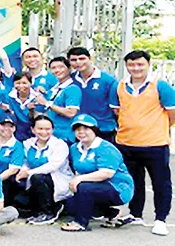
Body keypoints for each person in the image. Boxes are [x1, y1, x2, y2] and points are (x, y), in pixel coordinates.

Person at [110, 50, 175, 236]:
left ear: (148, 64)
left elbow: (172, 112)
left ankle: (160, 219)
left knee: (160, 183)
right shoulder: (119, 86)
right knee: (134, 181)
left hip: (155, 143)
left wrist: (158, 127)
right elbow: (117, 111)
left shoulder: (160, 86)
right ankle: (135, 214)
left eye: (140, 64)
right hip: (126, 143)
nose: (136, 68)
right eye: (131, 65)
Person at [61, 115, 135, 232]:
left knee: (83, 187)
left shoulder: (105, 148)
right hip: (95, 185)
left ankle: (80, 223)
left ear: (94, 130)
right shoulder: (75, 148)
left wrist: (79, 179)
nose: (81, 132)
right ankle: (113, 214)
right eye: (78, 129)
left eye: (86, 128)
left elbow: (106, 173)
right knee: (70, 206)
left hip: (117, 188)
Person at [13, 115, 72, 224]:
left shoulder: (60, 145)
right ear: (33, 129)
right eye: (40, 129)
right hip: (34, 179)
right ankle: (37, 210)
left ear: (53, 130)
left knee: (37, 177)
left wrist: (29, 173)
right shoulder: (28, 143)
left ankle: (48, 212)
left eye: (47, 129)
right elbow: (25, 161)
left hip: (56, 180)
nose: (44, 132)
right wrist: (23, 170)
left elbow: (53, 166)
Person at [68, 47, 118, 144]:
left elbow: (115, 109)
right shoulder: (70, 80)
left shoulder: (108, 80)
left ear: (90, 59)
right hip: (79, 130)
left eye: (82, 59)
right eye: (73, 60)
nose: (78, 62)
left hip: (103, 129)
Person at [32, 56, 80, 142]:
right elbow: (42, 110)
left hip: (65, 136)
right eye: (53, 68)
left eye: (61, 67)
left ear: (69, 68)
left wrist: (47, 103)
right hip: (51, 136)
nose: (57, 70)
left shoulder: (73, 89)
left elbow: (71, 112)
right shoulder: (53, 89)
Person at [6, 72, 37, 140]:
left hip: (33, 135)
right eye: (18, 83)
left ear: (30, 83)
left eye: (24, 83)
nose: (21, 86)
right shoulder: (9, 98)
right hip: (14, 135)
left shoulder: (37, 98)